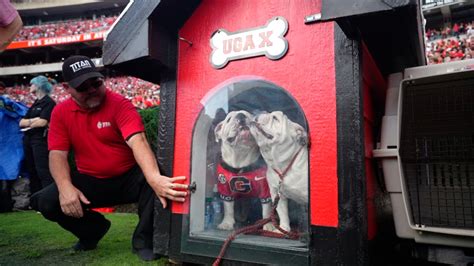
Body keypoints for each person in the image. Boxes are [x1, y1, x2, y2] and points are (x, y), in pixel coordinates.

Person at [30, 55, 188, 261]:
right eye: (82, 87)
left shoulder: (119, 103)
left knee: (156, 176)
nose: (91, 90)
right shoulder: (60, 112)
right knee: (44, 201)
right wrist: (65, 187)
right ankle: (92, 230)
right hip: (91, 181)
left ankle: (144, 241)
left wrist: (153, 177)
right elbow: (57, 155)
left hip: (128, 177)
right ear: (67, 88)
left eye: (96, 83)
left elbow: (137, 140)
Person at [19, 76, 56, 194]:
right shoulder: (36, 103)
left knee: (43, 170)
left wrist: (31, 122)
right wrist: (34, 120)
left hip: (40, 139)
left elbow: (43, 122)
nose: (30, 86)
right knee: (32, 169)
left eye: (32, 84)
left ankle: (48, 199)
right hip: (29, 139)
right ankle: (36, 200)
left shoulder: (49, 102)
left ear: (38, 85)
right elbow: (21, 122)